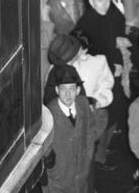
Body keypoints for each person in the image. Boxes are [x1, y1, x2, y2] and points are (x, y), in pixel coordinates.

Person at [46, 64, 99, 193]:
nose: (68, 94)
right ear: (57, 90)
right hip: (58, 182)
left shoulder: (83, 104)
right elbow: (45, 151)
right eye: (63, 89)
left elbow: (90, 131)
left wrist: (87, 158)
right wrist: (54, 172)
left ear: (78, 90)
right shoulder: (48, 115)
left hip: (81, 175)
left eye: (72, 89)